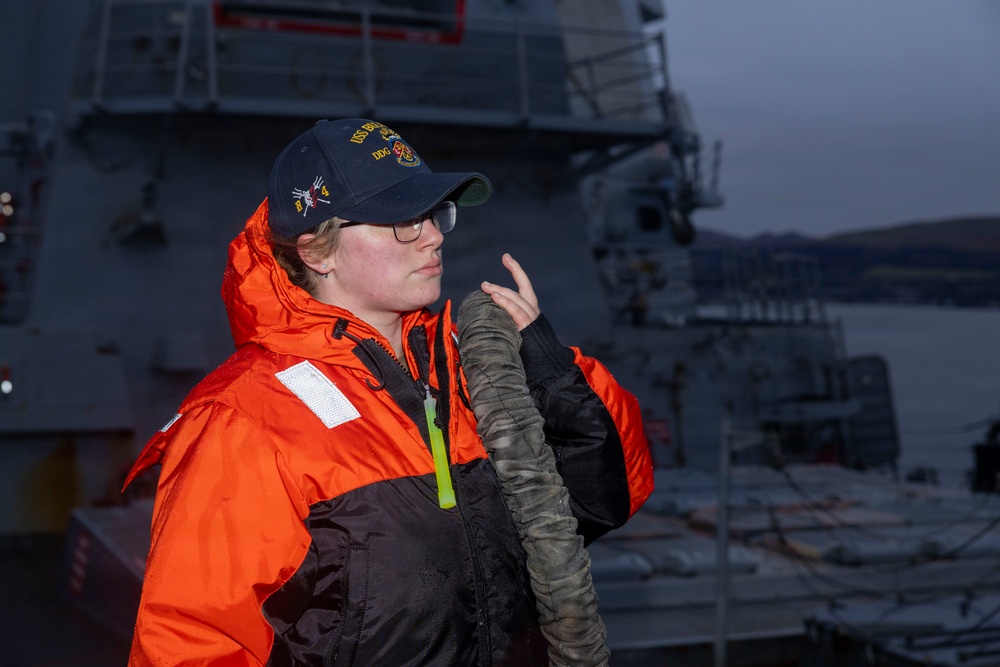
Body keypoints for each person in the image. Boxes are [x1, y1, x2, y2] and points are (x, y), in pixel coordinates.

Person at [123, 118, 654, 666]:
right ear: (317, 252)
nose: (434, 235)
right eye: (401, 220)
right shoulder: (245, 419)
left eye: (432, 215)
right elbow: (191, 644)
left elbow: (613, 494)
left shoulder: (477, 366)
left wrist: (549, 370)